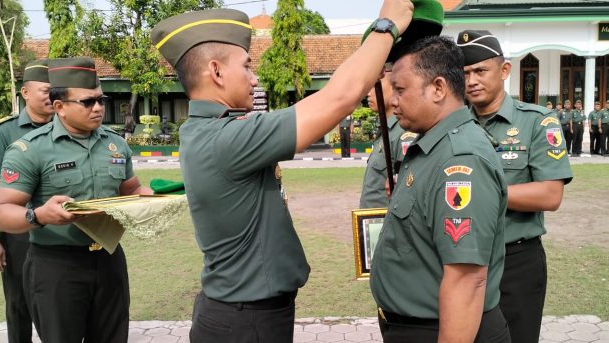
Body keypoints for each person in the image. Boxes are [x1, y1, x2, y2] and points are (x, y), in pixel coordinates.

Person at [149, 3, 413, 342]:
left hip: (240, 313)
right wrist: (386, 26)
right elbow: (339, 99)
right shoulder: (228, 137)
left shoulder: (206, 130)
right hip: (246, 322)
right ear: (216, 72)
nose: (254, 77)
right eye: (246, 66)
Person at [0, 57, 153, 342]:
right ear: (60, 107)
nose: (99, 108)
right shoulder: (30, 149)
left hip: (109, 260)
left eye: (101, 100)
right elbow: (2, 212)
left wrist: (150, 198)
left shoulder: (115, 144)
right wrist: (39, 216)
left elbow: (131, 190)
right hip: (56, 267)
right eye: (87, 102)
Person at [370, 34, 509, 343]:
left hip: (441, 331)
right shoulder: (432, 147)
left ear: (438, 88)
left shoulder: (460, 161)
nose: (392, 101)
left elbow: (467, 281)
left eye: (401, 89)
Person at [457, 30, 573, 343]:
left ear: (504, 70)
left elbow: (551, 194)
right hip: (463, 259)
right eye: (464, 73)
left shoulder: (536, 122)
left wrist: (484, 193)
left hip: (516, 261)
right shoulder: (454, 126)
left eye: (480, 71)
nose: (471, 81)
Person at [0, 58, 51, 343]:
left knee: (56, 305)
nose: (52, 96)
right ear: (26, 93)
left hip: (58, 229)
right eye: (45, 90)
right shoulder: (5, 132)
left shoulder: (67, 125)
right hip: (19, 234)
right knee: (19, 305)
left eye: (56, 91)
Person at [359, 65, 416, 209]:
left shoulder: (402, 134)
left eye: (374, 86)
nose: (368, 93)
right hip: (373, 222)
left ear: (395, 87)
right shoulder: (386, 130)